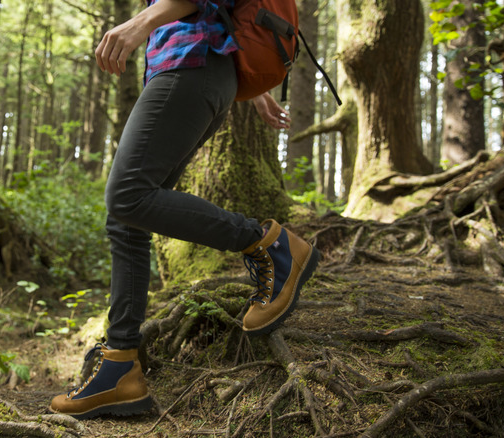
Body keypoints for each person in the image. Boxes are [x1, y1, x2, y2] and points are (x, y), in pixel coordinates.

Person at [49, 0, 319, 419]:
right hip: (194, 70)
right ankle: (120, 368)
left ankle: (268, 245)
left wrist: (140, 22)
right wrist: (255, 89)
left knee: (127, 196)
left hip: (191, 66)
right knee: (126, 218)